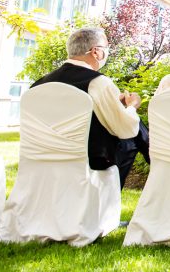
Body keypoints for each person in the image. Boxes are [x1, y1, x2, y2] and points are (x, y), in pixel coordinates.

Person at [31, 27, 149, 189]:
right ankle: (154, 165)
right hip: (88, 162)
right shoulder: (98, 83)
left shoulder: (38, 84)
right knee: (132, 137)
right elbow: (126, 130)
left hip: (42, 158)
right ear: (96, 52)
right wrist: (131, 107)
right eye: (107, 48)